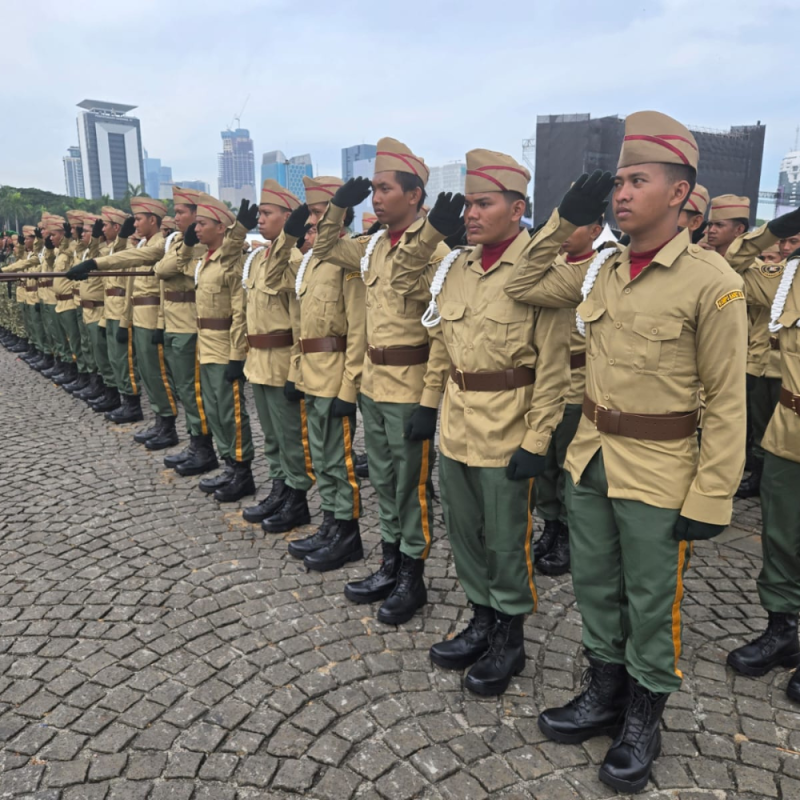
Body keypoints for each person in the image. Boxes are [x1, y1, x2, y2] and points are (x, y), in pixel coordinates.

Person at [504, 111, 748, 793]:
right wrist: (561, 222)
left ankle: (644, 714)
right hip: (591, 458)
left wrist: (712, 494)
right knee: (596, 589)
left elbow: (727, 401)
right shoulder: (600, 272)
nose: (621, 192)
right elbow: (521, 286)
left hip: (662, 469)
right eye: (618, 181)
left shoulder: (712, 281)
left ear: (679, 193)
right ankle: (602, 693)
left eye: (637, 179)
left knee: (650, 598)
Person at [391, 149, 571, 695]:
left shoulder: (543, 276)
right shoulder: (456, 269)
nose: (470, 213)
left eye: (483, 203)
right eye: (468, 203)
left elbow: (553, 373)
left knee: (506, 540)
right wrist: (428, 404)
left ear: (517, 209)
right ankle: (481, 619)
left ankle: (510, 637)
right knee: (465, 535)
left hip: (509, 431)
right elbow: (442, 347)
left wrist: (538, 441)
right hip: (459, 429)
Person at [309, 137, 450, 624]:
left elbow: (440, 336)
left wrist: (430, 403)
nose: (376, 197)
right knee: (386, 484)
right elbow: (325, 248)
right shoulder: (371, 248)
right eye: (373, 189)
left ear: (414, 195)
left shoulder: (437, 250)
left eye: (385, 188)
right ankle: (389, 564)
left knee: (411, 486)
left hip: (410, 387)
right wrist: (338, 207)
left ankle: (412, 577)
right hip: (374, 383)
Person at [717, 205, 800, 701]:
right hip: (788, 432)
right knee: (782, 538)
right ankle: (783, 630)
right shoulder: (788, 279)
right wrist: (775, 231)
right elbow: (730, 264)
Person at [259, 177, 367, 556]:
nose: (313, 223)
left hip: (336, 375)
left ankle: (347, 534)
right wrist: (288, 235)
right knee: (321, 459)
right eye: (311, 215)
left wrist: (350, 387)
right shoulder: (309, 262)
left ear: (341, 214)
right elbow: (272, 278)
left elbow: (358, 329)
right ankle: (330, 524)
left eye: (319, 214)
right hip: (311, 374)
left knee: (339, 462)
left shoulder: (350, 257)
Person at [231, 180, 315, 525]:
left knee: (291, 438)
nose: (260, 220)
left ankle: (297, 499)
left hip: (282, 362)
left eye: (267, 214)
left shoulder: (293, 259)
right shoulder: (258, 259)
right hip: (259, 363)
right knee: (272, 438)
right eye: (260, 214)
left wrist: (297, 371)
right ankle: (279, 489)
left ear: (288, 217)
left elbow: (300, 323)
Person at [531, 213, 606, 576]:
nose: (564, 233)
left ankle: (569, 532)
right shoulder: (550, 268)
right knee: (543, 461)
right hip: (544, 382)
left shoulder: (603, 268)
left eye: (574, 224)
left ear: (595, 229)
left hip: (578, 382)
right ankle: (551, 524)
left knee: (568, 466)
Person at [69, 197, 179, 436]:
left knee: (155, 373)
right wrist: (126, 319)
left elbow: (154, 285)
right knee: (148, 373)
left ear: (153, 220)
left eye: (139, 219)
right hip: (136, 315)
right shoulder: (141, 246)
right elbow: (130, 288)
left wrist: (94, 263)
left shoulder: (162, 245)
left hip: (151, 317)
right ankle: (160, 421)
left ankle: (167, 423)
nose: (136, 224)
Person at [179, 192, 256, 502]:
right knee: (214, 410)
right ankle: (228, 464)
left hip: (225, 348)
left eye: (202, 223)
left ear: (222, 227)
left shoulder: (230, 259)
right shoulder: (204, 260)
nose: (196, 229)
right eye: (195, 223)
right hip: (206, 346)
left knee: (230, 412)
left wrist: (237, 355)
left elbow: (239, 312)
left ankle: (242, 471)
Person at [153, 186, 219, 473]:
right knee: (184, 388)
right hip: (173, 323)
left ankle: (204, 449)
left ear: (197, 214)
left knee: (193, 391)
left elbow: (169, 270)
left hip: (190, 326)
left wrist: (187, 248)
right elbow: (160, 269)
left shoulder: (203, 245)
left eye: (181, 211)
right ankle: (195, 442)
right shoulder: (178, 241)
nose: (175, 216)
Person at [737, 239, 784, 498]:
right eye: (763, 259)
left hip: (785, 370)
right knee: (758, 424)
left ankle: (776, 478)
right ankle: (758, 474)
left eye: (772, 258)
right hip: (761, 364)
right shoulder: (761, 289)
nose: (769, 264)